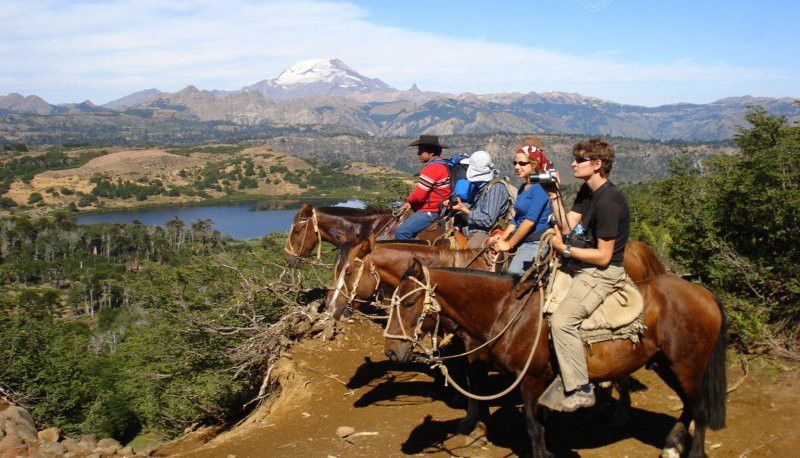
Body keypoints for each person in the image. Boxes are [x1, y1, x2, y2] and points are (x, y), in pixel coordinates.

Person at [544, 138, 630, 411]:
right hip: (584, 263)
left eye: (580, 160)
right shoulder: (586, 191)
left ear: (598, 164)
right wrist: (554, 196)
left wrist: (565, 250)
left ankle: (580, 387)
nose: (573, 163)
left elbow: (604, 256)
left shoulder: (610, 201)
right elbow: (567, 225)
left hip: (603, 272)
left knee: (561, 322)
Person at [488, 140, 553, 274]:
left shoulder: (540, 188)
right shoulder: (524, 187)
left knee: (512, 277)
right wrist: (503, 237)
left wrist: (509, 244)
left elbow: (529, 221)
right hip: (520, 237)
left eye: (522, 163)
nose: (517, 167)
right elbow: (517, 218)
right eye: (515, 163)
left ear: (534, 165)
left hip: (534, 241)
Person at [451, 151, 511, 248]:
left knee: (469, 253)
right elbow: (472, 205)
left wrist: (465, 210)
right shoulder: (478, 186)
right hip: (469, 227)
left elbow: (488, 220)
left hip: (486, 231)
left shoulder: (496, 188)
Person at [396, 135, 452, 240]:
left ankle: (409, 256)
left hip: (431, 210)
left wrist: (408, 201)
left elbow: (419, 196)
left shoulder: (433, 168)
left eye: (421, 151)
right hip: (437, 207)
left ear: (431, 153)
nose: (418, 154)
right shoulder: (441, 164)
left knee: (401, 232)